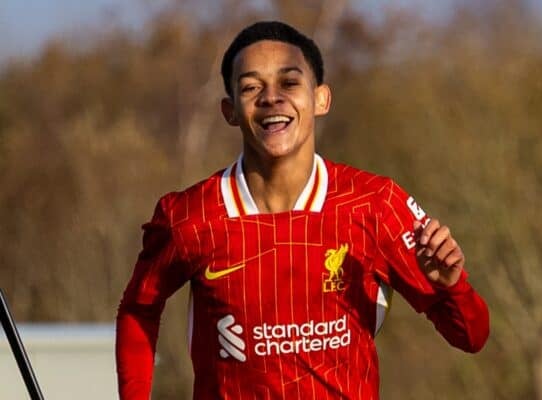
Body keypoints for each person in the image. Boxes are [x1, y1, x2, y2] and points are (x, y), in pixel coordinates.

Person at [116, 20, 489, 399]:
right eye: (251, 87)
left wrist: (451, 287)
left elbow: (472, 336)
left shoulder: (376, 204)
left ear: (321, 99)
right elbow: (138, 310)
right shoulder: (190, 216)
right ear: (230, 110)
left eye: (289, 82)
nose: (271, 98)